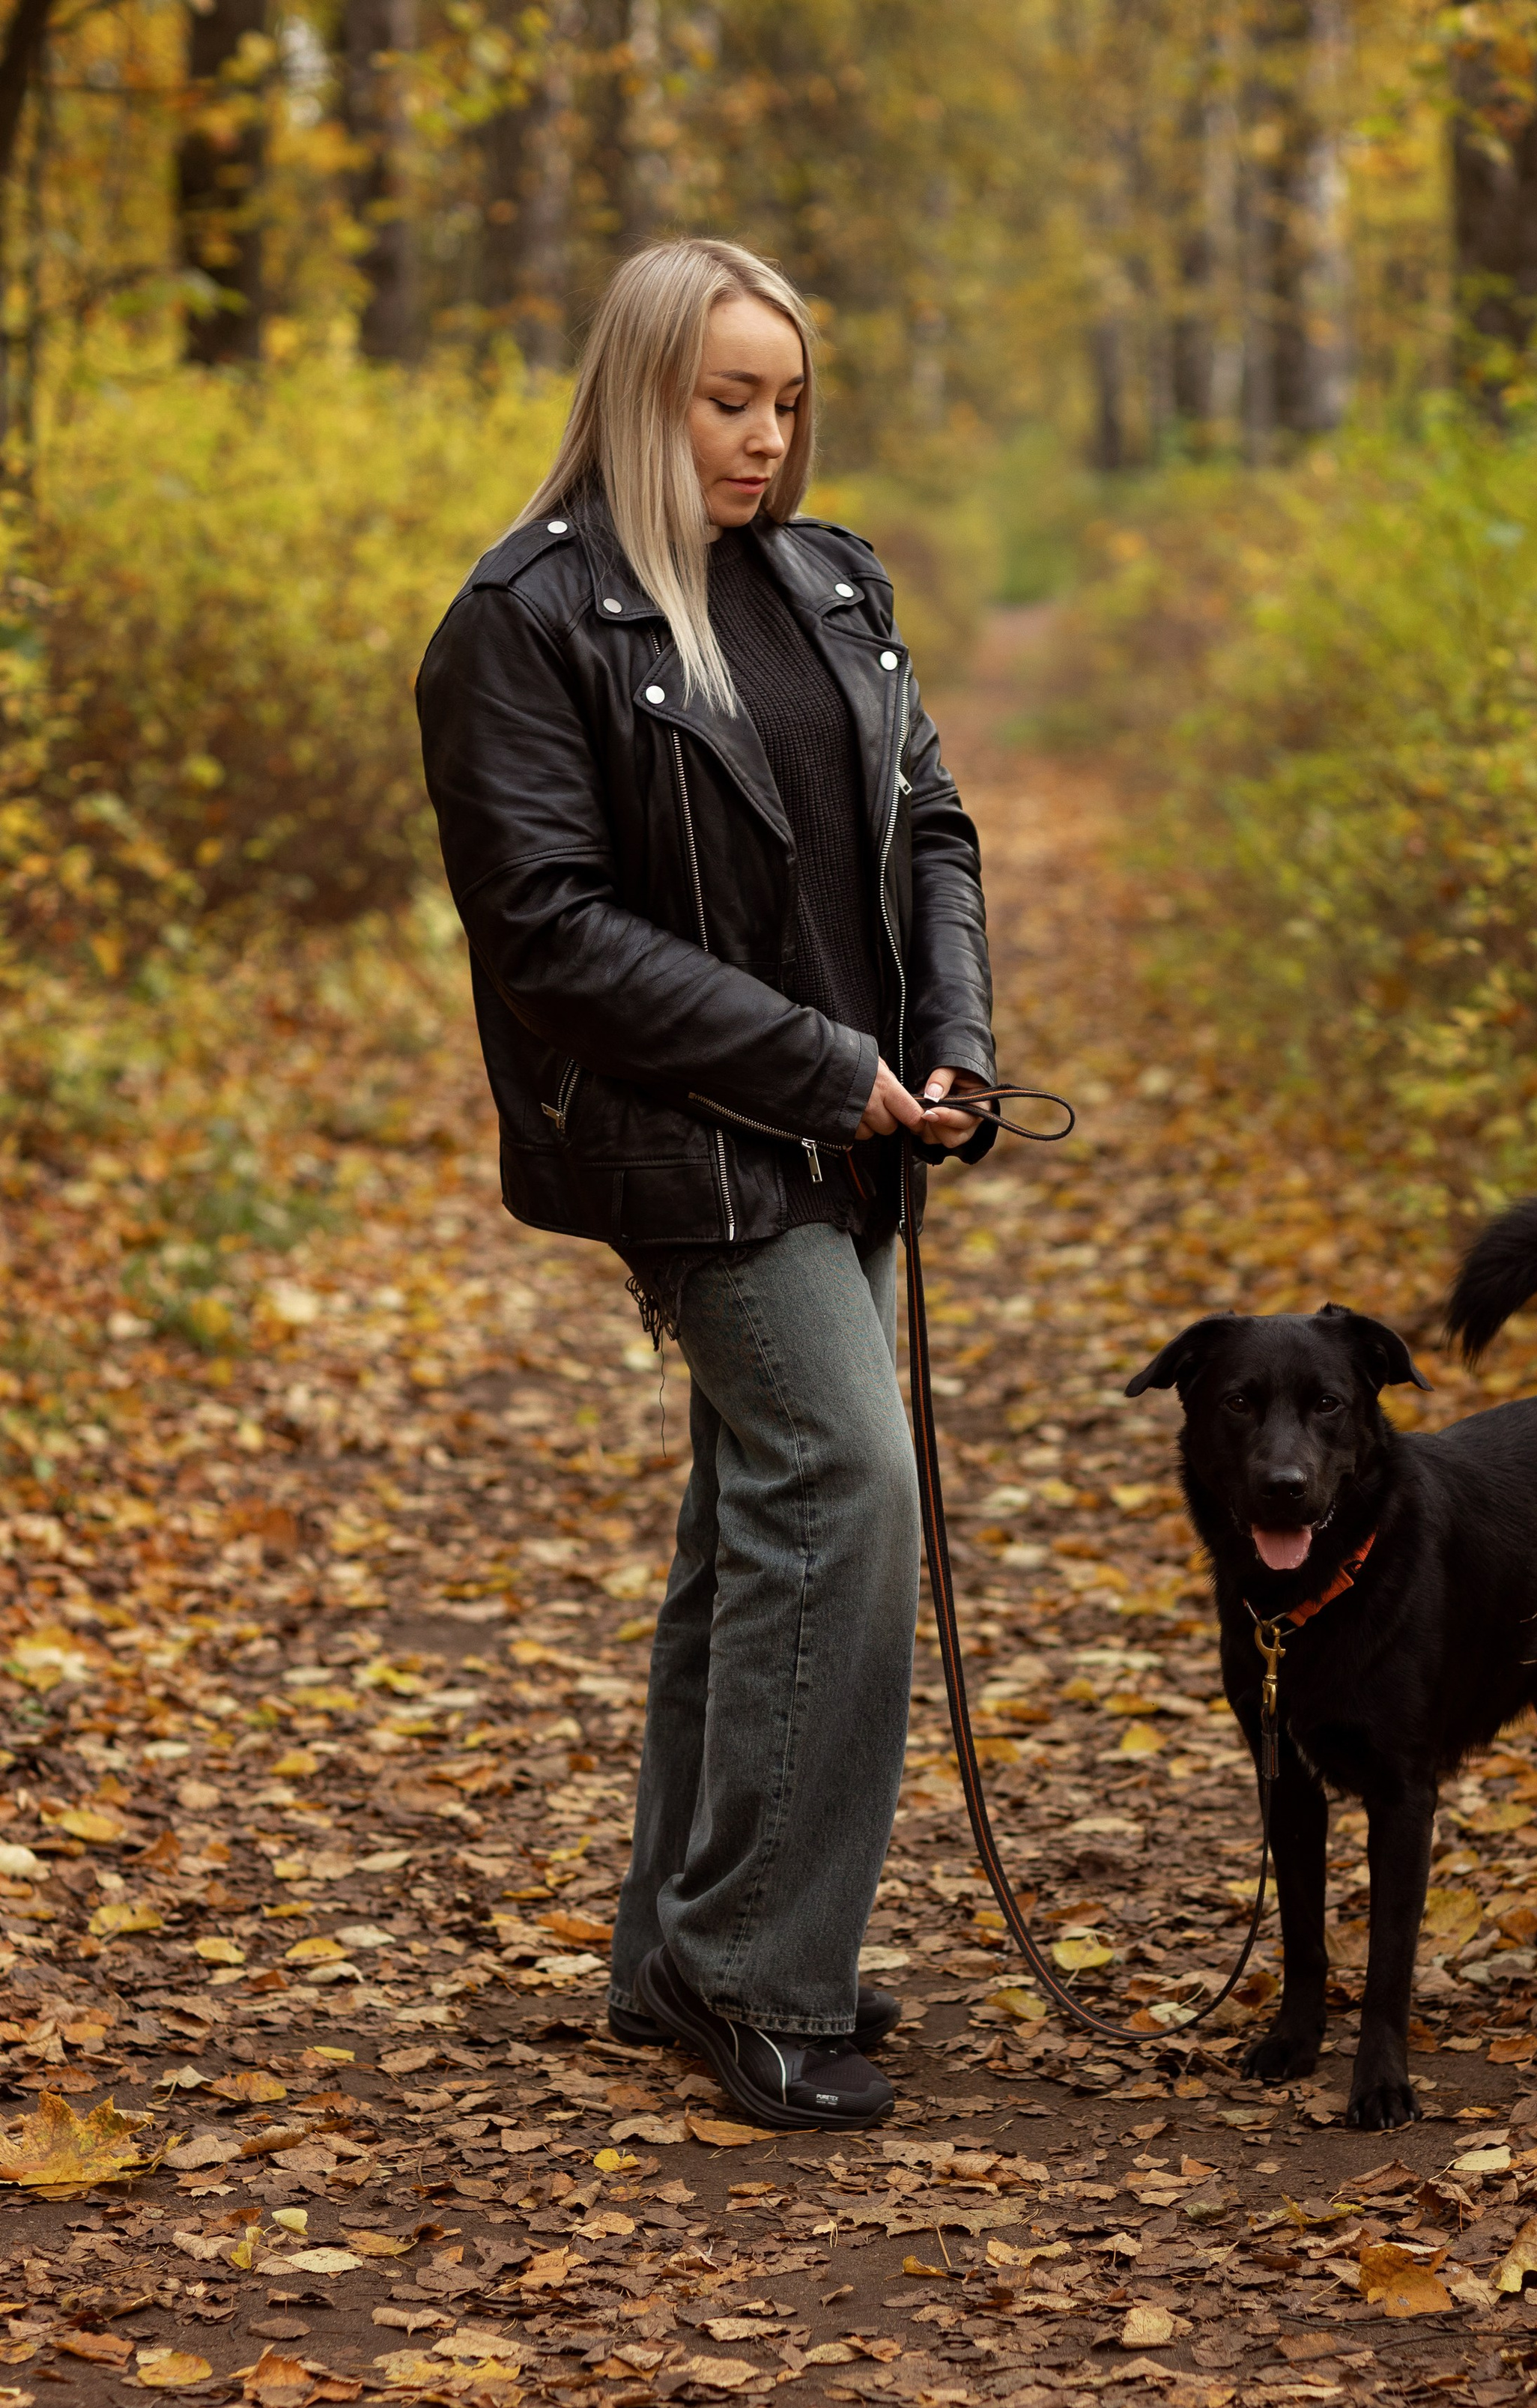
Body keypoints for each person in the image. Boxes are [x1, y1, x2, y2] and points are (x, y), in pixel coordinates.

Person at [416, 237, 995, 2134]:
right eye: (724, 400)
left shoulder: (831, 581)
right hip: (690, 1146)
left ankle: (679, 1951)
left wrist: (953, 1041)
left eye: (784, 401)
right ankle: (757, 1976)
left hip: (859, 1126)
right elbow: (553, 937)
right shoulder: (521, 623)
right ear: (640, 389)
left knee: (756, 1509)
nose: (763, 439)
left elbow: (929, 822)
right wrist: (829, 1065)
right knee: (842, 1474)